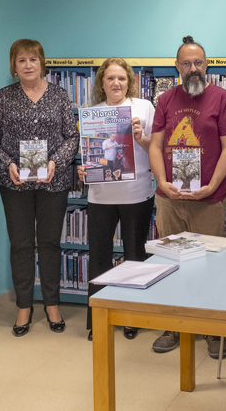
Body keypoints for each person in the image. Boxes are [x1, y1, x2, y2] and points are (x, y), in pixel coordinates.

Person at [149, 36, 226, 358]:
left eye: (198, 62)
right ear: (177, 67)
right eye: (186, 63)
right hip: (169, 198)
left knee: (209, 266)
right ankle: (173, 325)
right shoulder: (165, 100)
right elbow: (155, 145)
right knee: (169, 263)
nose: (193, 68)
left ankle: (211, 331)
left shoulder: (222, 99)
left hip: (208, 198)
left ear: (207, 65)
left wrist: (212, 184)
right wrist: (162, 180)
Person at [0, 39, 79, 337]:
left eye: (33, 59)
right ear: (14, 66)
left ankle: (52, 304)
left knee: (51, 243)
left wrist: (56, 162)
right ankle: (24, 306)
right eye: (21, 60)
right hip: (15, 183)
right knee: (22, 245)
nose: (28, 65)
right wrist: (8, 164)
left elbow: (72, 137)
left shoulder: (60, 95)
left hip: (54, 181)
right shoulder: (4, 97)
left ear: (43, 63)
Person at [79, 57, 156, 341]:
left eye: (121, 78)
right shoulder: (91, 114)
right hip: (100, 197)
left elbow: (156, 149)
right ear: (102, 83)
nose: (116, 83)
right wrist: (84, 169)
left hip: (137, 194)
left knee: (134, 256)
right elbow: (91, 155)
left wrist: (140, 138)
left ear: (129, 81)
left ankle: (131, 318)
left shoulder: (144, 108)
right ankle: (98, 322)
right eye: (110, 78)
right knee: (99, 258)